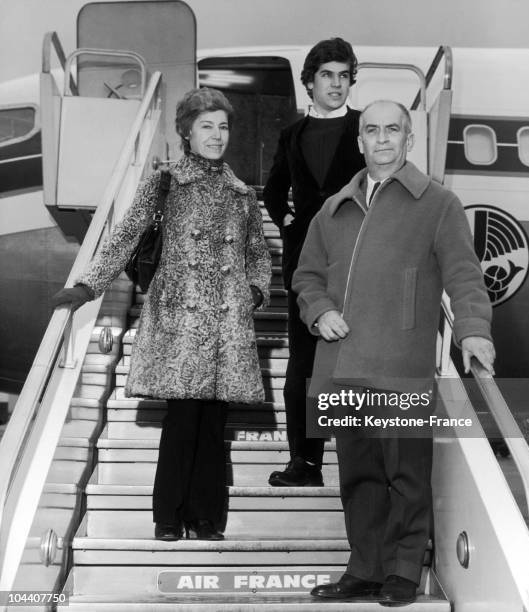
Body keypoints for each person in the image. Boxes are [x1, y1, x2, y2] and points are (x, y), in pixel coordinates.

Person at [293, 100, 495, 605]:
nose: (382, 138)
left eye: (393, 130)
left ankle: (403, 572)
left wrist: (472, 329)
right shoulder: (333, 208)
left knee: (406, 475)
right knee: (359, 477)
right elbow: (305, 276)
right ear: (359, 140)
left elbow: (465, 275)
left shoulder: (438, 205)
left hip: (402, 369)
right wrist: (318, 310)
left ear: (408, 139)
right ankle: (364, 568)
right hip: (342, 369)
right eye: (371, 130)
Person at [52, 88, 272, 542]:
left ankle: (207, 517)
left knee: (214, 427)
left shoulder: (242, 193)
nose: (217, 135)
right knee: (182, 422)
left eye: (223, 126)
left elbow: (257, 254)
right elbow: (127, 234)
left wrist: (255, 291)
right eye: (207, 126)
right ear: (187, 133)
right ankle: (168, 517)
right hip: (180, 321)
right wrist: (88, 285)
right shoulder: (167, 182)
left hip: (226, 324)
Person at [263, 37, 365, 487]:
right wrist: (289, 224)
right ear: (310, 82)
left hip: (356, 258)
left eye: (344, 76)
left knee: (355, 361)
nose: (337, 84)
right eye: (328, 76)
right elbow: (271, 190)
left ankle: (360, 461)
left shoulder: (367, 127)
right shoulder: (292, 135)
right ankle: (304, 463)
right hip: (305, 260)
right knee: (302, 364)